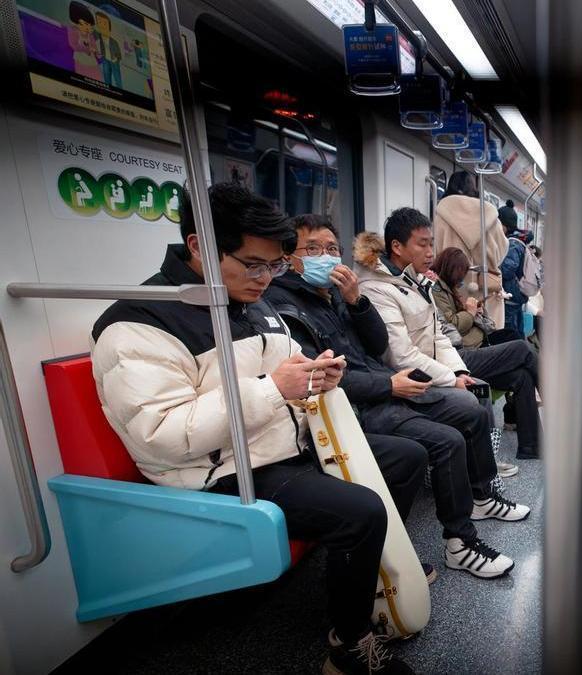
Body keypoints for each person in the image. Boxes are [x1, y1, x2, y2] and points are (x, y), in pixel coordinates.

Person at [91, 184, 419, 674]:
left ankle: (361, 580)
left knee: (408, 457)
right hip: (218, 471)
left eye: (275, 265)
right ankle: (349, 645)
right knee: (361, 511)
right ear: (199, 245)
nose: (266, 278)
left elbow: (287, 374)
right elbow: (162, 433)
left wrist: (314, 376)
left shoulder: (250, 302)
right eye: (253, 264)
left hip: (279, 444)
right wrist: (275, 389)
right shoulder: (137, 324)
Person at [263, 214, 521, 579]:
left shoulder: (341, 293)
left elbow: (377, 344)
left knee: (474, 410)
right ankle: (457, 542)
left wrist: (355, 303)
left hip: (380, 385)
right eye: (313, 248)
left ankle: (479, 501)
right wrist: (391, 385)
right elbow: (327, 376)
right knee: (447, 437)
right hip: (353, 403)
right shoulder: (286, 305)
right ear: (290, 256)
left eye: (332, 248)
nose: (326, 256)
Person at [356, 207, 544, 466]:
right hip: (422, 371)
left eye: (432, 244)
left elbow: (438, 335)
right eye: (423, 244)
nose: (430, 252)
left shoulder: (417, 283)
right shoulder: (381, 289)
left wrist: (456, 372)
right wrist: (451, 375)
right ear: (397, 247)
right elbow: (403, 353)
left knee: (521, 374)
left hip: (449, 358)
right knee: (519, 352)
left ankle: (528, 448)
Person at [434, 171, 508, 326]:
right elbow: (501, 252)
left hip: (453, 289)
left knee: (459, 335)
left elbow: (435, 252)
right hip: (487, 289)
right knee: (492, 339)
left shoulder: (441, 214)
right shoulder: (490, 215)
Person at [430, 247, 523, 349]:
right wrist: (470, 312)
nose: (461, 279)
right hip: (470, 345)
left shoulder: (447, 287)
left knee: (512, 336)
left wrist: (471, 310)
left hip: (477, 338)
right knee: (518, 348)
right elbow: (451, 326)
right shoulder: (437, 291)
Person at [500, 217, 533, 334]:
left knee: (509, 332)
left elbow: (507, 270)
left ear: (505, 226)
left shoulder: (512, 243)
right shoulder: (518, 242)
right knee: (518, 329)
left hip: (511, 294)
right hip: (517, 294)